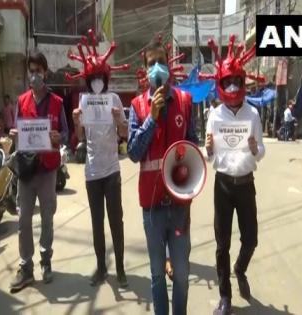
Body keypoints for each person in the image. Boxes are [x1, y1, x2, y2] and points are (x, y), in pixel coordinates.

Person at [128, 41, 198, 315]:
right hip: (153, 208)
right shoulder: (137, 106)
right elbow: (134, 152)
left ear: (169, 66)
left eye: (161, 62)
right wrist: (151, 119)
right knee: (157, 275)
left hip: (179, 206)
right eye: (150, 63)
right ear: (144, 70)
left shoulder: (185, 101)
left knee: (181, 274)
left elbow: (192, 148)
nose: (156, 68)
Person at [205, 36, 265, 315]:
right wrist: (208, 149)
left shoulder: (252, 114)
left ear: (242, 82)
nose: (232, 87)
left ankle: (240, 269)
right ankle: (225, 297)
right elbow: (210, 155)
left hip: (245, 184)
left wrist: (255, 148)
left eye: (236, 82)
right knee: (222, 244)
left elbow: (261, 152)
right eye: (226, 82)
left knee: (251, 239)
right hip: (223, 185)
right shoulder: (215, 115)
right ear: (220, 83)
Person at [9, 51, 68, 292]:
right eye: (31, 71)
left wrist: (58, 137)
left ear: (46, 72)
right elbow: (17, 130)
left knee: (47, 218)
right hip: (26, 169)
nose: (35, 75)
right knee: (23, 219)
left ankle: (45, 260)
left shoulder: (57, 102)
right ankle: (26, 267)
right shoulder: (22, 101)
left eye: (38, 71)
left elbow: (65, 133)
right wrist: (14, 135)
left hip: (48, 169)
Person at [72, 73, 129, 288]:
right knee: (97, 223)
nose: (97, 81)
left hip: (112, 170)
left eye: (100, 77)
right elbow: (80, 136)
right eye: (93, 77)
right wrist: (77, 121)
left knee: (116, 221)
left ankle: (121, 268)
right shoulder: (84, 100)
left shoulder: (114, 99)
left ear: (106, 78)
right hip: (92, 172)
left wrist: (117, 120)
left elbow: (124, 131)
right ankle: (101, 267)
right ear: (88, 80)